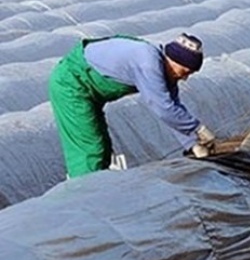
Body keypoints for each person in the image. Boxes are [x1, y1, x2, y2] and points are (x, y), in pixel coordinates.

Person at [49, 33, 218, 178]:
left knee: (103, 148)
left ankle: (96, 194)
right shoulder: (148, 62)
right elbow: (163, 108)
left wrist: (192, 144)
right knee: (91, 149)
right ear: (174, 60)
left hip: (89, 93)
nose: (185, 78)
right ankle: (82, 198)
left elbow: (173, 108)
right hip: (72, 85)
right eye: (186, 72)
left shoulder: (166, 70)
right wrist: (198, 128)